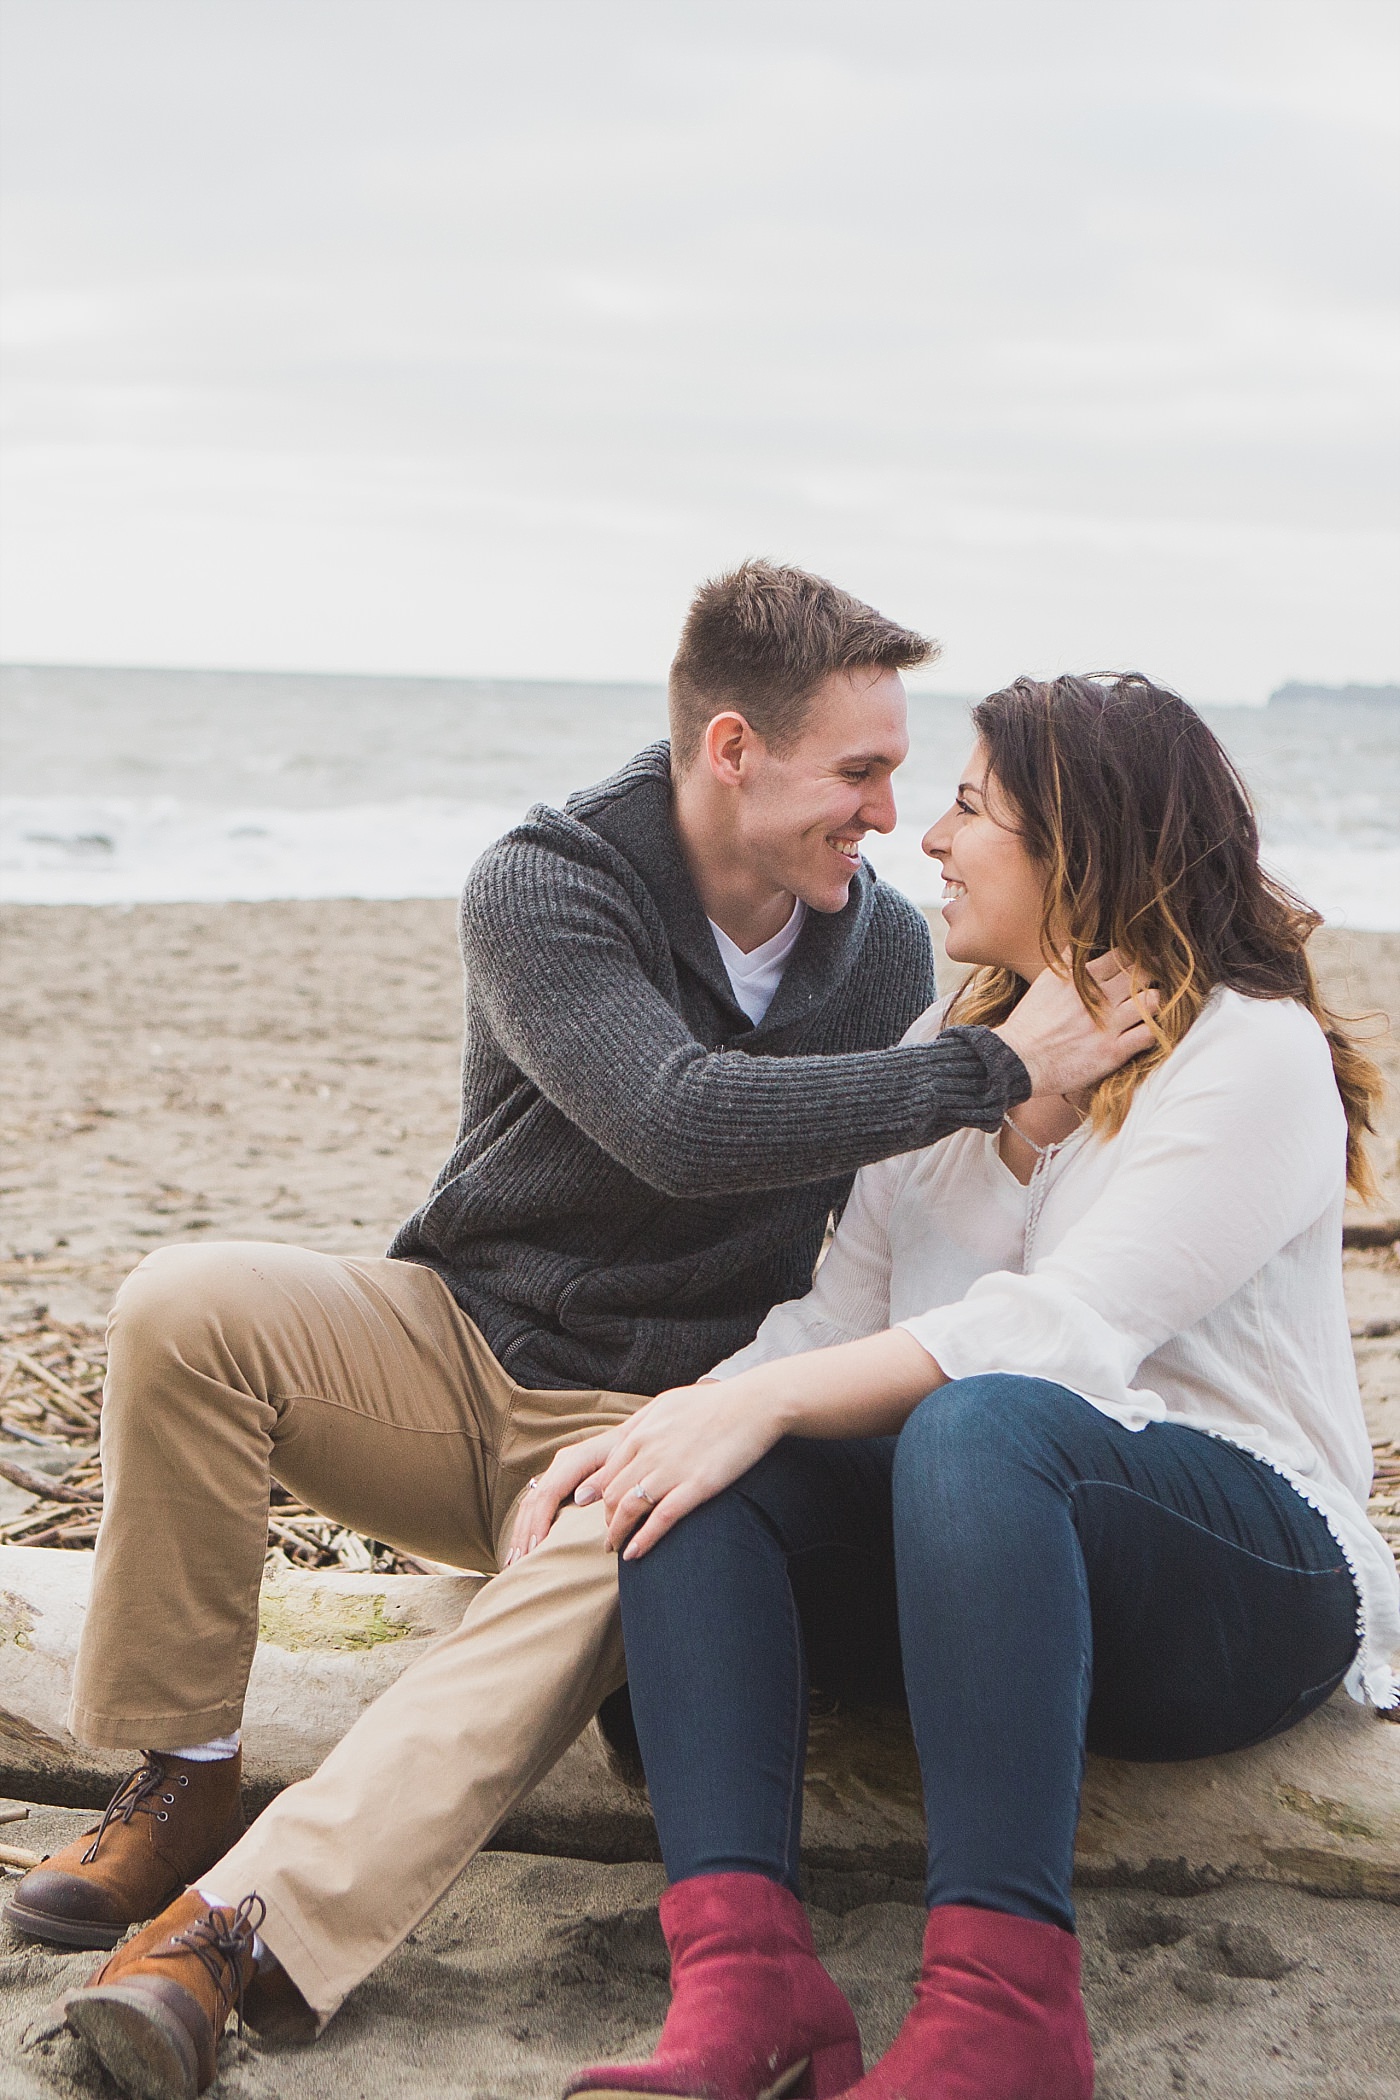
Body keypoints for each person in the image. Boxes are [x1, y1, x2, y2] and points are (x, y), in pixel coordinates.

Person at [17, 568, 1154, 2099]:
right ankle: (184, 1778)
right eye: (862, 773)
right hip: (450, 1341)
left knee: (635, 1523)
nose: (888, 817)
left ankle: (227, 1937)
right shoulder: (545, 882)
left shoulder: (876, 950)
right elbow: (674, 1120)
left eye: (902, 776)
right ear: (734, 748)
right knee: (184, 1305)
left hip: (667, 1400)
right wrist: (981, 1069)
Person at [540, 673, 1398, 2100]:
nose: (927, 838)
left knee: (981, 1419)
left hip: (1242, 1583)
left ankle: (1006, 2017)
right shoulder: (955, 1070)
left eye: (971, 805)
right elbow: (824, 1328)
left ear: (1082, 843)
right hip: (983, 1583)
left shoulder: (1253, 1053)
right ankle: (748, 1986)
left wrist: (753, 1404)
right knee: (703, 1479)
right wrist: (680, 1425)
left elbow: (1062, 1333)